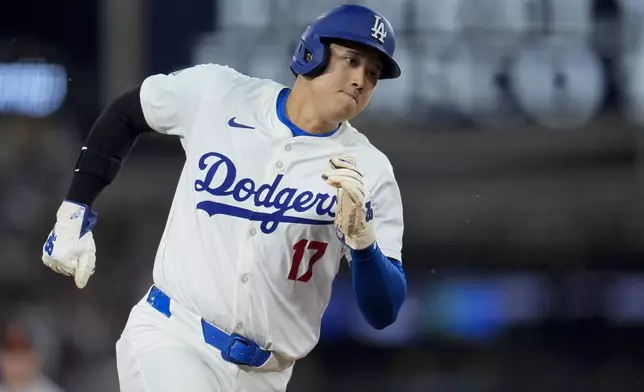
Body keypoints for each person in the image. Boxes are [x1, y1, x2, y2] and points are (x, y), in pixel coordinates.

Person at [41, 4, 407, 391]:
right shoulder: (220, 94)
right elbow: (127, 113)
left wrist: (363, 244)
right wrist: (74, 209)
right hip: (173, 338)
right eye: (351, 60)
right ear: (311, 52)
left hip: (267, 375)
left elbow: (383, 312)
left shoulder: (370, 170)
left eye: (373, 73)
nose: (360, 80)